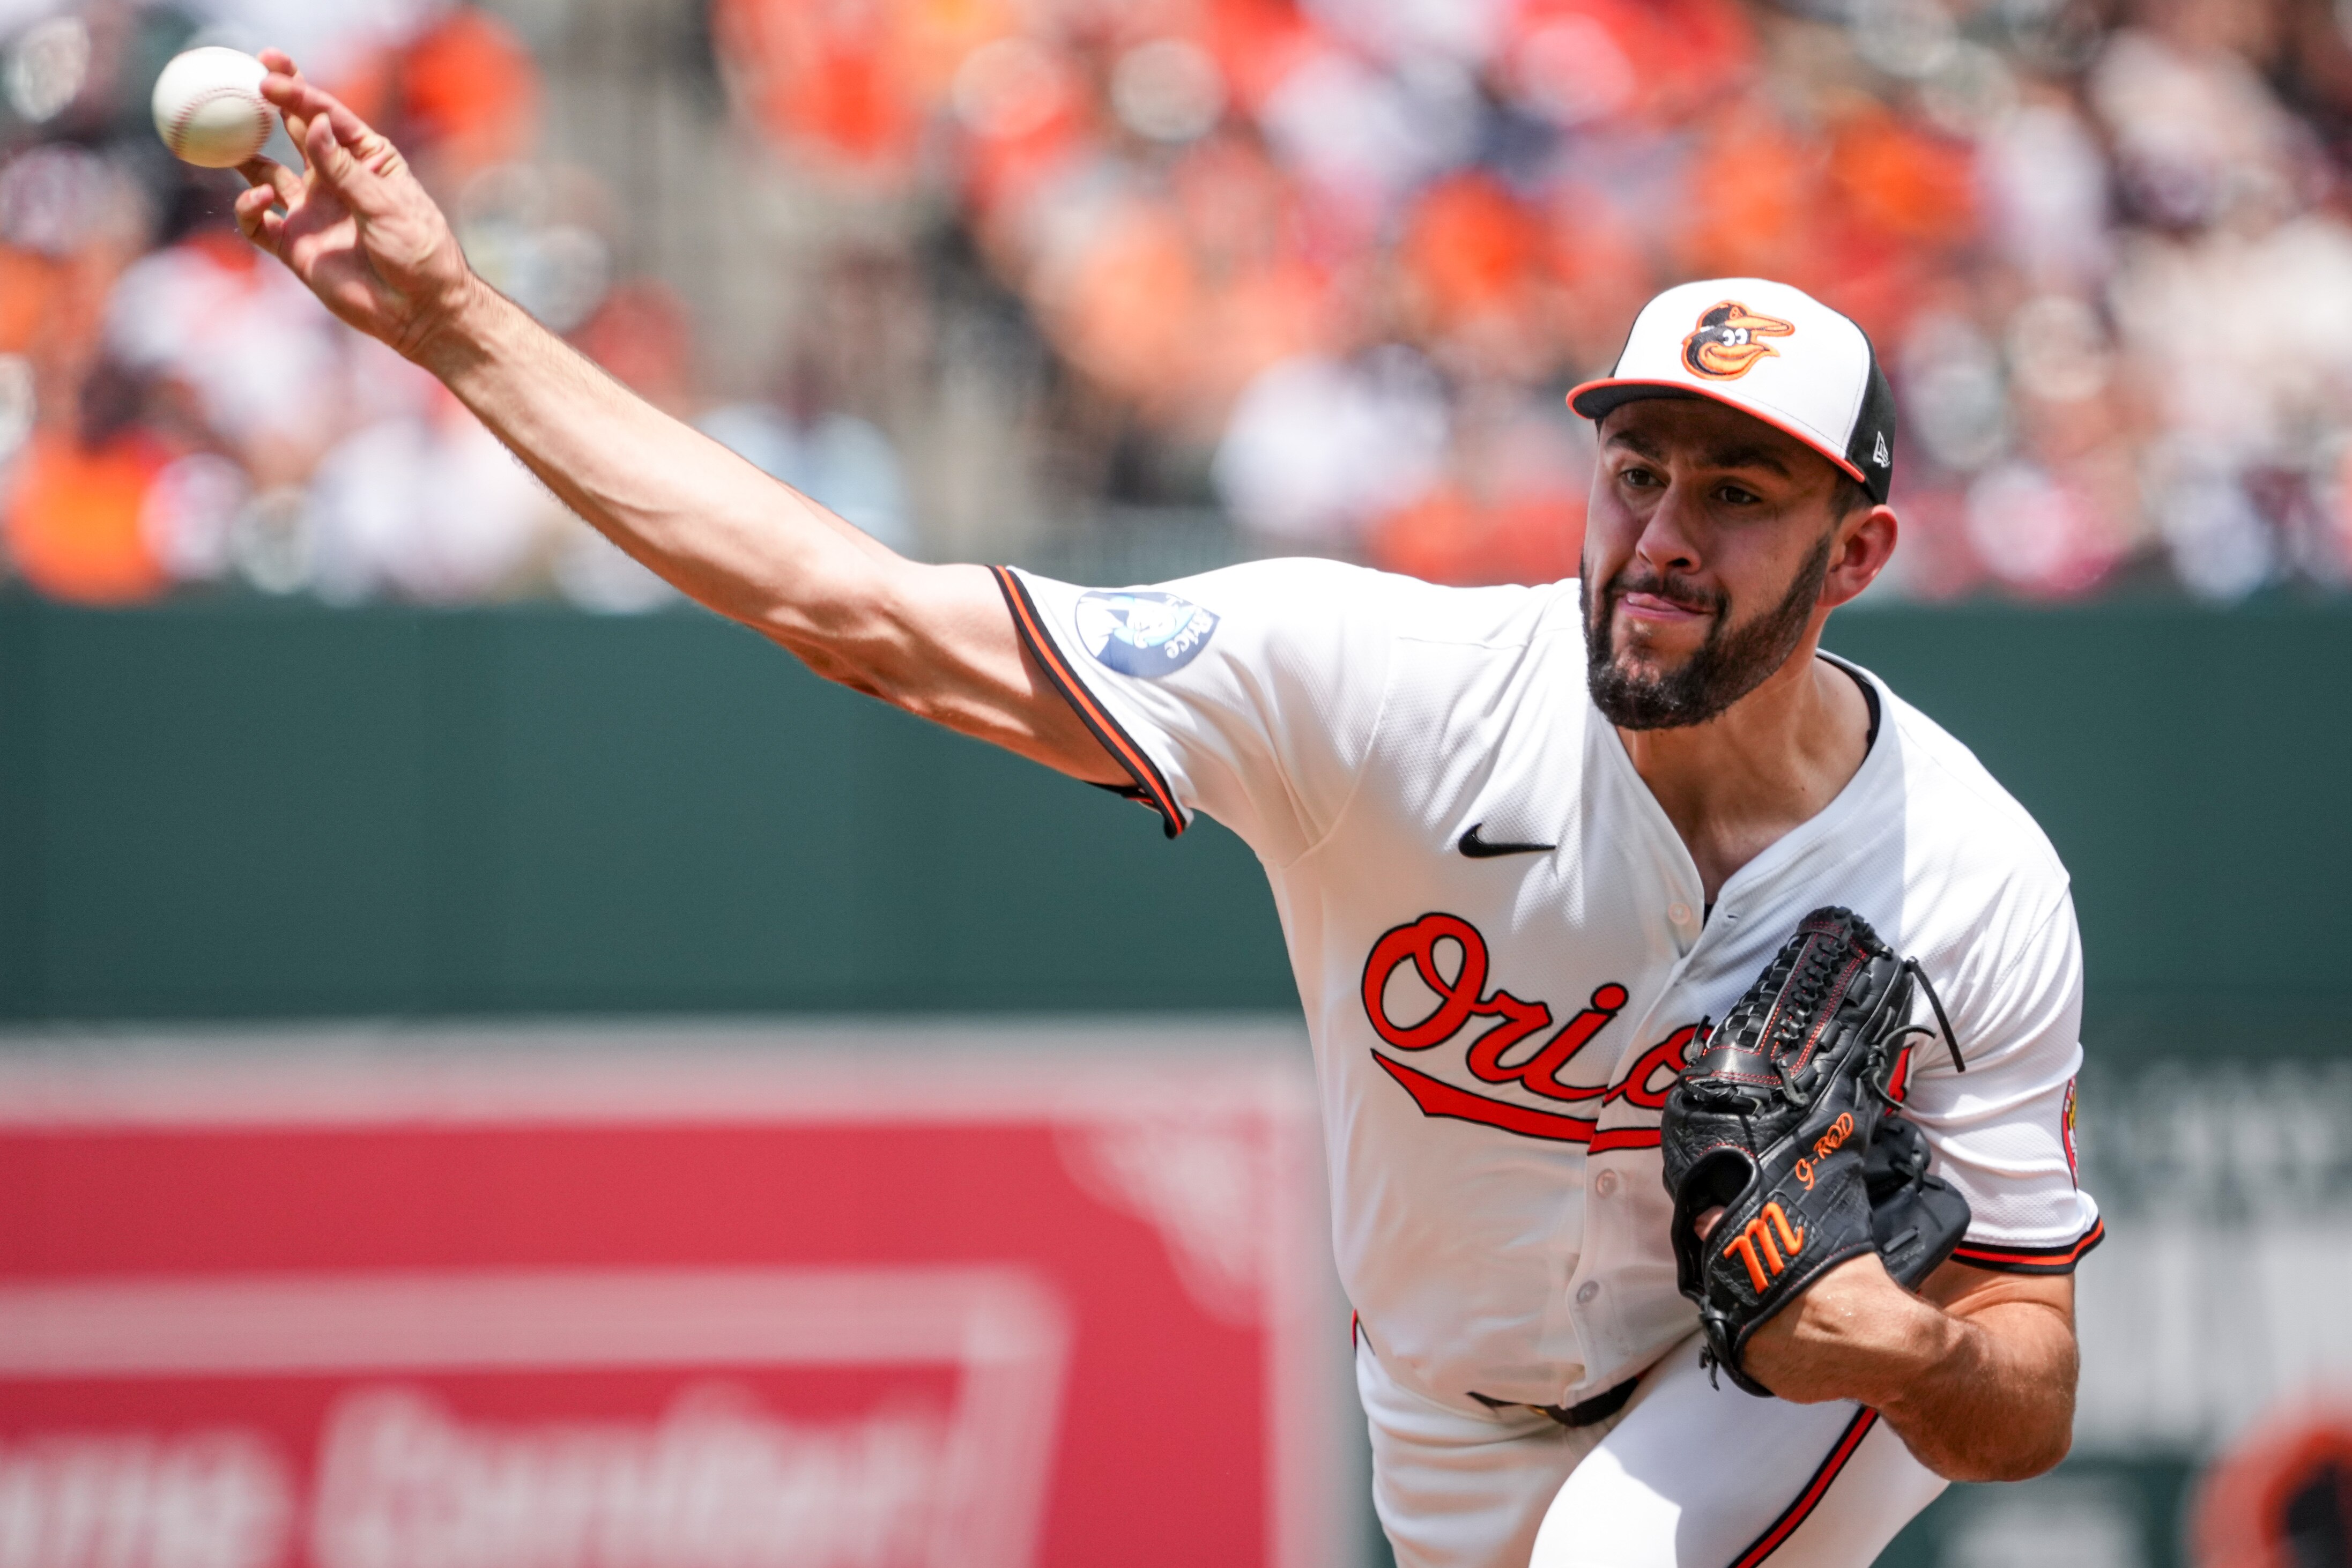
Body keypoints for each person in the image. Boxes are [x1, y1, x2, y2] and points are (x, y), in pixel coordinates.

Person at [234, 56, 2099, 1568]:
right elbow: (858, 616)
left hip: (1765, 1393)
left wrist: (1910, 1351)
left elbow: (2028, 1391)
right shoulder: (1379, 687)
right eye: (1636, 469)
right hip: (1443, 1415)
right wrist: (453, 320)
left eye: (1740, 495)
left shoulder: (1967, 874)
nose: (1665, 536)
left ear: (1854, 551)